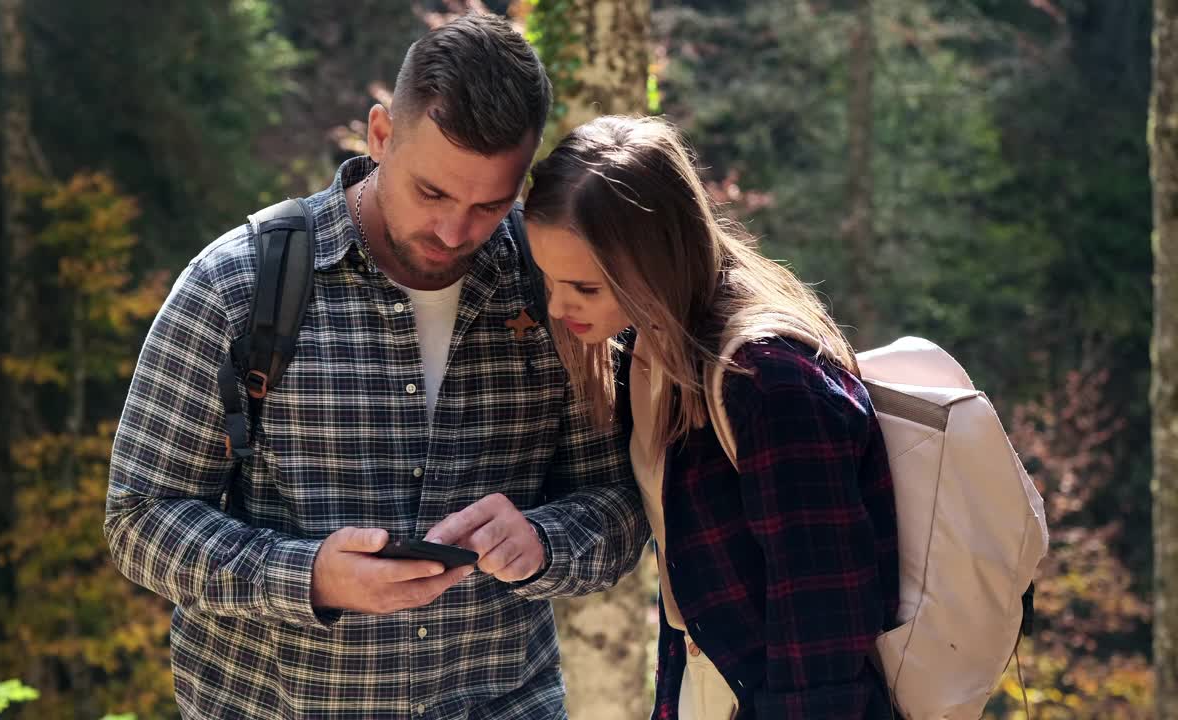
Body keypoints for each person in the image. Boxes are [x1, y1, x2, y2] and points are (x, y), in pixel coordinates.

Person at [105, 15, 648, 720]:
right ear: (381, 134)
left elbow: (617, 504)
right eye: (431, 193)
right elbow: (140, 521)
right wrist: (307, 577)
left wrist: (543, 542)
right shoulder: (238, 284)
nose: (455, 232)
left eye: (489, 205)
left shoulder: (554, 289)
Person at [523, 115, 900, 720]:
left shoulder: (768, 383)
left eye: (585, 288)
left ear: (654, 264)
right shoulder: (645, 350)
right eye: (548, 278)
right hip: (704, 681)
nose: (558, 305)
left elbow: (824, 623)